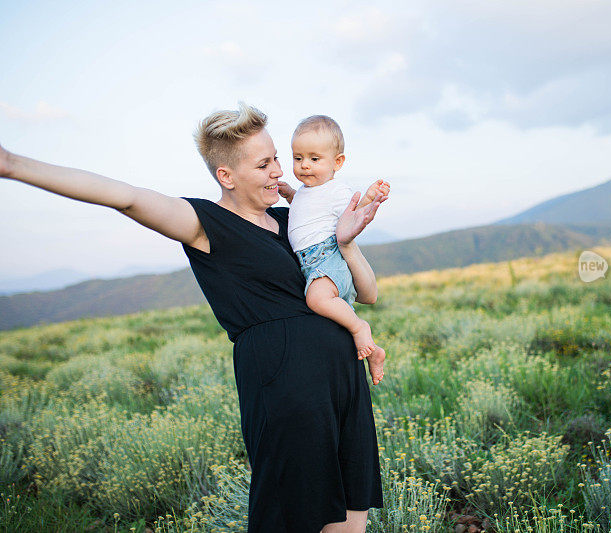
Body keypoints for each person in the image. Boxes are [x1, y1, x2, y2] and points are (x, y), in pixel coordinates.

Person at [0, 102, 385, 532]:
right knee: (291, 514)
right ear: (227, 176)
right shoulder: (207, 225)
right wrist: (13, 164)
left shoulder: (295, 221)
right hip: (287, 391)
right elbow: (125, 197)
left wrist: (347, 243)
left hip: (344, 383)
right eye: (264, 163)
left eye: (277, 157)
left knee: (352, 516)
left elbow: (367, 294)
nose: (280, 170)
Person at [279, 115, 388, 386]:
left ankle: (360, 327)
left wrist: (370, 198)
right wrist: (291, 194)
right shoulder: (307, 190)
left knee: (317, 301)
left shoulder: (336, 190)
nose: (304, 165)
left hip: (326, 259)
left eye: (314, 159)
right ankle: (373, 352)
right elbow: (308, 210)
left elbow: (353, 212)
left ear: (337, 162)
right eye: (298, 158)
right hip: (314, 264)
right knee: (333, 321)